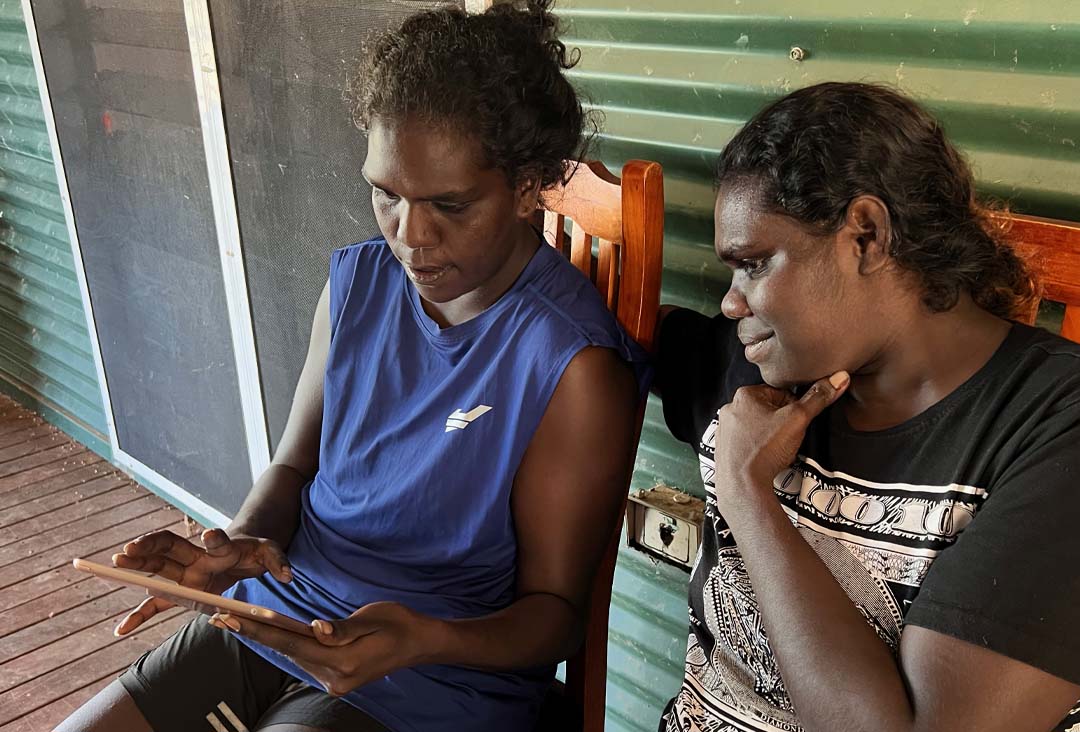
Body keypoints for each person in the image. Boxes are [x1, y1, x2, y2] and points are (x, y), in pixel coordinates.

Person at [57, 3, 647, 731]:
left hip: (430, 677)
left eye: (449, 205)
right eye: (386, 194)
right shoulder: (357, 285)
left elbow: (557, 618)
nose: (411, 237)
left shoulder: (569, 364)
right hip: (276, 616)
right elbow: (292, 469)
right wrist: (243, 545)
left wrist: (427, 636)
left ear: (529, 187)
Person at [653, 82, 1080, 732]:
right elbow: (597, 336)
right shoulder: (763, 362)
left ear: (866, 235)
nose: (732, 303)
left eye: (755, 264)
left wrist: (747, 492)